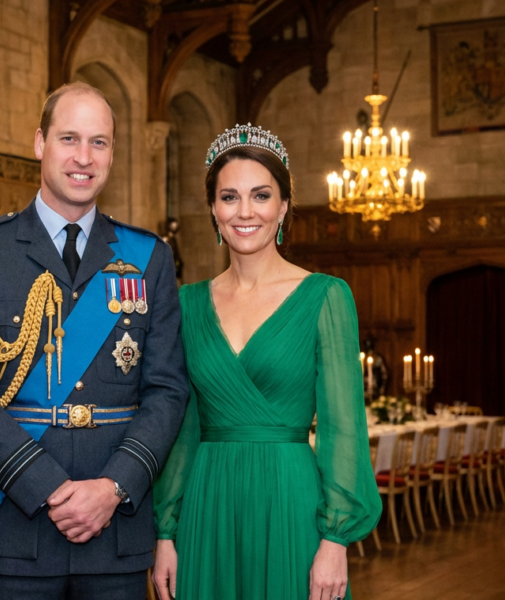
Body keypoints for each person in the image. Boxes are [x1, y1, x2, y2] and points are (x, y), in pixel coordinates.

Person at [0, 82, 189, 600]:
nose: (83, 157)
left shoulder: (149, 258)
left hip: (115, 530)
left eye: (99, 142)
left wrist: (112, 487)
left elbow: (167, 390)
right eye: (69, 138)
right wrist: (49, 488)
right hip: (17, 530)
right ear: (40, 143)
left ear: (113, 154)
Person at [152, 125, 381, 600]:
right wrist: (166, 532)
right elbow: (182, 427)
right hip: (207, 504)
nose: (245, 211)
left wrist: (335, 540)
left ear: (283, 206)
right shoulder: (187, 304)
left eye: (261, 195)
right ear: (214, 210)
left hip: (290, 501)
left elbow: (343, 429)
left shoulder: (326, 296)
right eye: (229, 197)